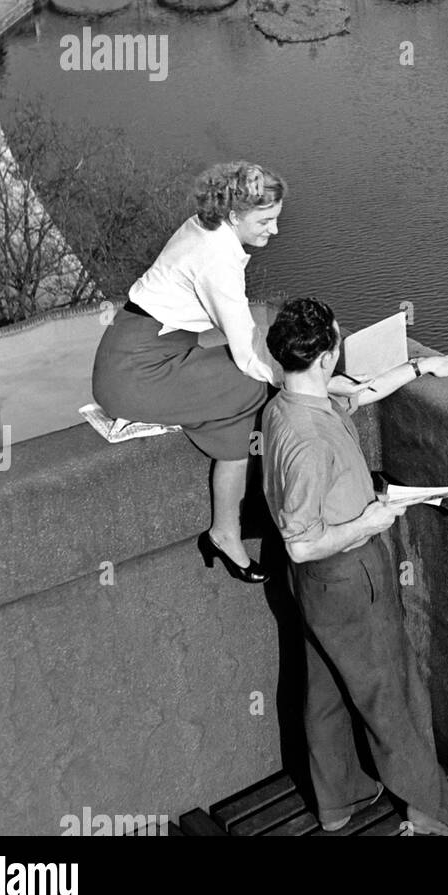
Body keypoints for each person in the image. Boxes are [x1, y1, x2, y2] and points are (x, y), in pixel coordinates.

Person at [261, 296, 448, 835]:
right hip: (348, 576)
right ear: (324, 357)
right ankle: (436, 813)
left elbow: (356, 395)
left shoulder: (284, 407)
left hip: (317, 588)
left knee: (323, 687)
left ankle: (338, 802)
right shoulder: (310, 441)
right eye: (337, 344)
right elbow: (301, 542)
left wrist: (419, 366)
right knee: (395, 693)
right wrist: (370, 522)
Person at [91, 160, 286, 584]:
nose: (274, 230)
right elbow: (247, 350)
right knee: (250, 382)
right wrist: (300, 381)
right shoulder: (217, 258)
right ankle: (234, 526)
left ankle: (225, 532)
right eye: (266, 220)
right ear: (236, 215)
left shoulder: (208, 225)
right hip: (136, 371)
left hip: (142, 354)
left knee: (237, 406)